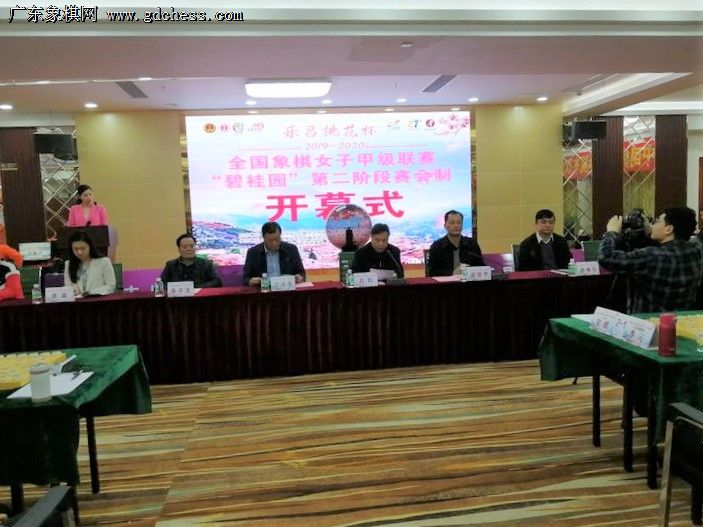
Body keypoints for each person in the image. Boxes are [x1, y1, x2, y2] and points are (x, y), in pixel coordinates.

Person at [599, 206, 703, 313]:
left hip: (649, 320)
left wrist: (612, 232)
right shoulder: (696, 250)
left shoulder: (651, 256)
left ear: (669, 229)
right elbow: (667, 249)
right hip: (681, 319)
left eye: (657, 222)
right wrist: (649, 234)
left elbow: (607, 257)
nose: (653, 225)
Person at [244, 221, 305, 286]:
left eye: (277, 239)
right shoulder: (253, 252)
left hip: (287, 288)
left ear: (280, 235)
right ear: (263, 237)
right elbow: (245, 278)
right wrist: (251, 281)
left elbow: (301, 273)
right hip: (263, 289)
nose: (274, 243)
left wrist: (300, 278)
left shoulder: (291, 249)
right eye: (270, 240)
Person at [427, 210, 484, 276]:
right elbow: (431, 272)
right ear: (445, 226)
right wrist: (452, 273)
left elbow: (481, 266)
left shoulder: (472, 244)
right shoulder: (437, 246)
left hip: (468, 281)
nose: (456, 225)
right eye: (452, 223)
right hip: (447, 282)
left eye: (459, 223)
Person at [64, 231, 116, 296]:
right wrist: (72, 290)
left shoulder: (104, 262)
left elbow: (111, 286)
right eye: (75, 249)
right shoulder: (68, 264)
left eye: (83, 248)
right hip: (77, 301)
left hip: (98, 300)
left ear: (90, 247)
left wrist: (90, 293)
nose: (79, 252)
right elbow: (67, 287)